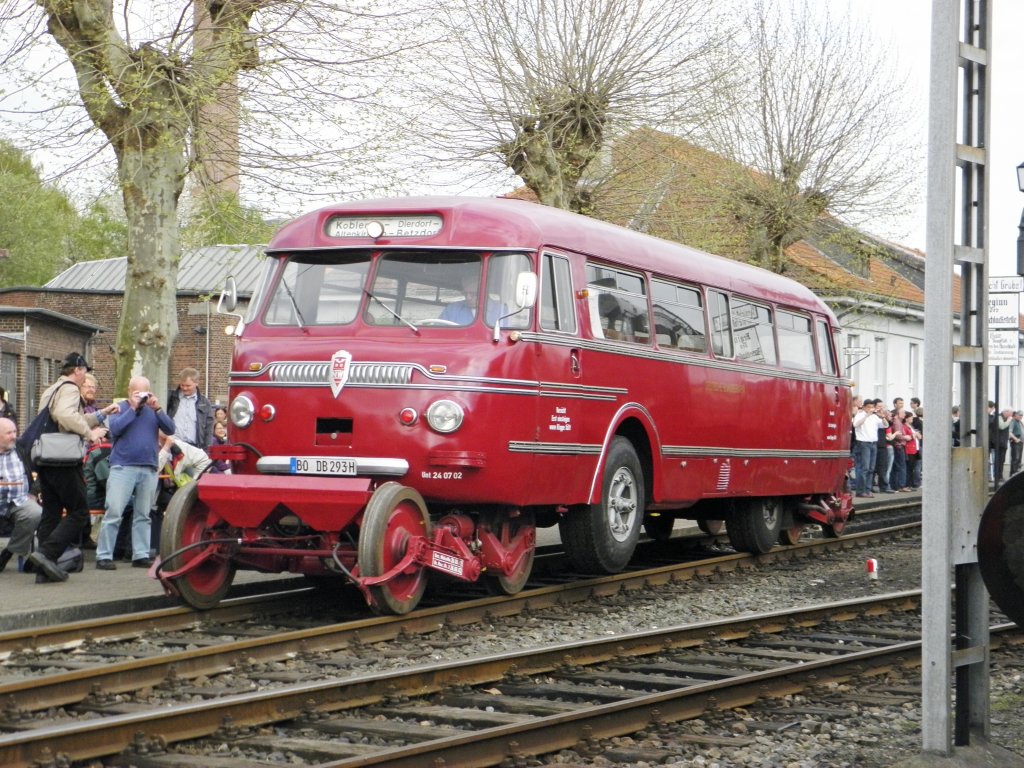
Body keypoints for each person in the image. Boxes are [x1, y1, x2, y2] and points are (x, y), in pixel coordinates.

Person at [28, 352, 111, 584]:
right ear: (77, 370)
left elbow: (63, 418)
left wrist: (101, 415)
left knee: (51, 513)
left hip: (46, 456)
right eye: (85, 371)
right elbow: (66, 416)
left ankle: (44, 571)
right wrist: (90, 433)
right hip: (63, 459)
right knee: (79, 511)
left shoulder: (52, 389)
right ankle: (46, 554)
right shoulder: (71, 388)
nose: (86, 376)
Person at [95, 376, 176, 570]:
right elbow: (115, 429)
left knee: (144, 514)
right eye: (136, 393)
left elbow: (170, 428)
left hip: (148, 467)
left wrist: (158, 409)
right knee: (114, 511)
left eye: (144, 393)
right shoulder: (120, 407)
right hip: (123, 466)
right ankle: (104, 555)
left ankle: (140, 554)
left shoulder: (153, 410)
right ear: (129, 391)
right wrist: (132, 408)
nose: (140, 397)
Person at [0, 417, 41, 573]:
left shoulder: (22, 448)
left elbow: (43, 471)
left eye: (15, 432)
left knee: (35, 513)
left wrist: (33, 492)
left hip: (18, 500)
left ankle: (9, 552)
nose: (13, 436)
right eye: (8, 433)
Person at [166, 367, 214, 448]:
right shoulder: (170, 398)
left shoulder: (205, 403)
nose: (184, 388)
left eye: (188, 386)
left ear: (196, 383)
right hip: (173, 445)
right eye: (182, 385)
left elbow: (208, 429)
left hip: (194, 447)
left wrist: (207, 449)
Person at [439, 273, 504, 326]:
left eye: (473, 294)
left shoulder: (501, 310)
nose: (468, 298)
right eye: (465, 293)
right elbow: (439, 330)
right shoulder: (452, 309)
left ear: (484, 293)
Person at [852, 398, 883, 498]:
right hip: (863, 443)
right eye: (868, 407)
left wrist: (883, 417)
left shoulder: (874, 417)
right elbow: (855, 424)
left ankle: (867, 490)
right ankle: (860, 491)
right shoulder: (860, 415)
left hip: (873, 443)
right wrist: (866, 415)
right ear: (864, 407)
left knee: (871, 468)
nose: (870, 409)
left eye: (872, 407)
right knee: (864, 468)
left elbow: (884, 425)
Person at [1011, 411, 1024, 476]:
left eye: (1022, 415)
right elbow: (1009, 432)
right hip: (1016, 443)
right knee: (1015, 459)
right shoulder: (1013, 422)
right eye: (1020, 415)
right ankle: (1013, 474)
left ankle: (1016, 474)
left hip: (1021, 443)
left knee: (1019, 460)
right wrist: (1015, 439)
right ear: (1016, 415)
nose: (1021, 416)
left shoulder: (1020, 422)